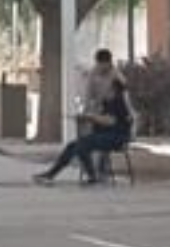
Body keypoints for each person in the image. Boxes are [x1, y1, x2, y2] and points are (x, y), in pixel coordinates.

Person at [34, 49, 133, 185]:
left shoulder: (119, 101)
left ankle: (92, 176)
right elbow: (90, 98)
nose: (102, 89)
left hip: (117, 137)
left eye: (106, 86)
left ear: (113, 88)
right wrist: (86, 115)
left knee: (82, 144)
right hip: (105, 133)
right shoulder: (105, 97)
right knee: (73, 145)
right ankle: (53, 174)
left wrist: (91, 117)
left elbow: (110, 121)